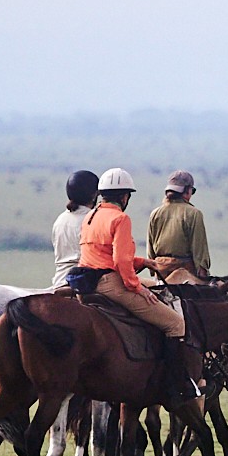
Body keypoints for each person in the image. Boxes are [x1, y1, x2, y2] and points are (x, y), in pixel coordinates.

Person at [63, 168, 196, 396]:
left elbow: (103, 254)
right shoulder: (120, 218)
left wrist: (144, 262)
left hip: (89, 282)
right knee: (176, 324)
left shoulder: (91, 217)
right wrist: (136, 287)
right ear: (125, 197)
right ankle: (176, 385)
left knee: (156, 287)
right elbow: (120, 261)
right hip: (112, 283)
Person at [146, 170, 211, 284]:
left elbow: (150, 250)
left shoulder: (155, 213)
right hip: (185, 275)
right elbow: (199, 251)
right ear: (186, 191)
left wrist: (154, 271)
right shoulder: (194, 214)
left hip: (160, 274)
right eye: (192, 191)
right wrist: (203, 274)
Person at [50, 169, 98, 286]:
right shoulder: (93, 219)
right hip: (84, 282)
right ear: (94, 195)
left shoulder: (60, 220)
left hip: (59, 280)